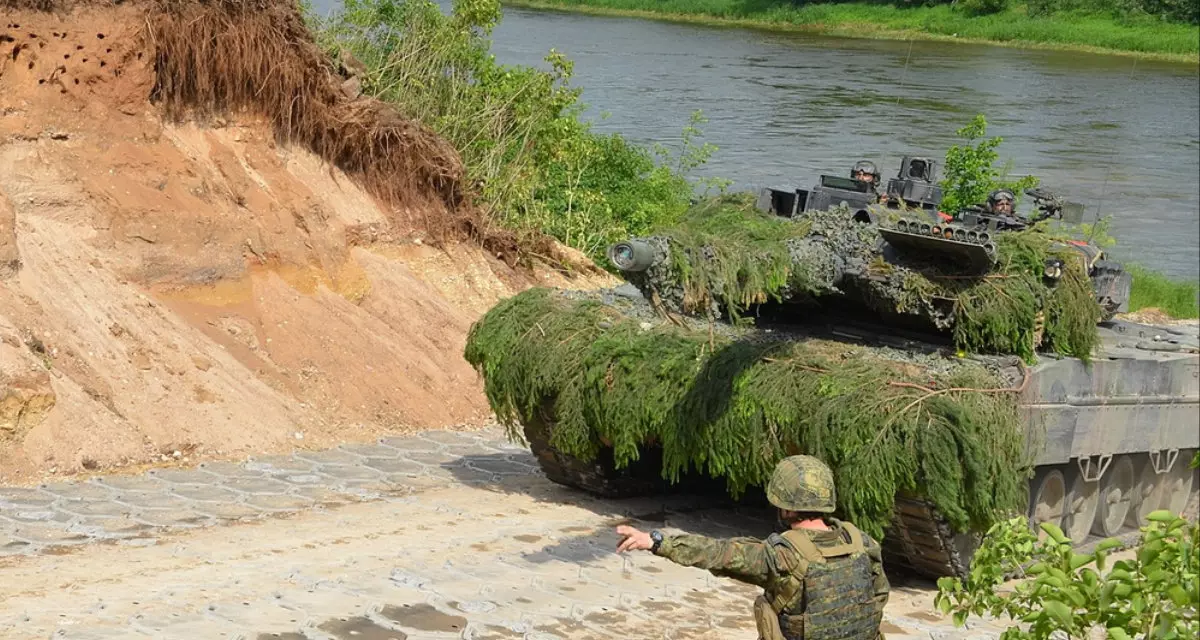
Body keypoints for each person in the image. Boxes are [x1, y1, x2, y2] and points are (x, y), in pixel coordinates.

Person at [615, 455, 890, 640]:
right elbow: (880, 596)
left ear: (784, 506)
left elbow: (718, 554)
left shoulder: (782, 555)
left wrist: (657, 542)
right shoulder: (861, 543)